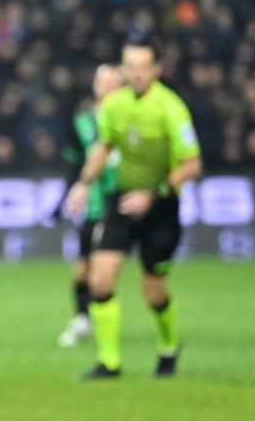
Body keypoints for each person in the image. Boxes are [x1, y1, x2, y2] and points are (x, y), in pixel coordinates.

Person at [65, 36, 202, 378]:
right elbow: (103, 146)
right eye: (131, 66)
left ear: (156, 68)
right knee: (100, 280)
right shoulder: (114, 105)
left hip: (161, 206)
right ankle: (109, 361)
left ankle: (168, 345)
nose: (137, 73)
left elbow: (192, 165)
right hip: (123, 200)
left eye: (144, 66)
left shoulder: (172, 108)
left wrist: (153, 193)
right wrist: (83, 183)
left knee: (153, 290)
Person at [57, 64, 123, 347]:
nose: (106, 88)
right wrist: (65, 196)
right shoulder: (83, 120)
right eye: (102, 83)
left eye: (112, 83)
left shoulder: (132, 117)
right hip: (95, 205)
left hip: (123, 202)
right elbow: (74, 164)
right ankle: (83, 317)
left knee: (102, 270)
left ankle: (96, 320)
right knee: (83, 268)